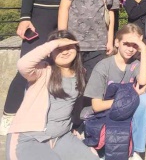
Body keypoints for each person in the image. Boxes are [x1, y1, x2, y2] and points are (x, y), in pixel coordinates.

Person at [3, 0, 87, 134]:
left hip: (67, 15)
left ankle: (49, 115)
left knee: (60, 66)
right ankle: (9, 114)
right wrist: (25, 17)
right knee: (29, 63)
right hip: (42, 13)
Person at [5, 30, 95, 160]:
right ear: (50, 52)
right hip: (31, 137)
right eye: (59, 49)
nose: (65, 52)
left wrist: (73, 126)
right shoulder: (43, 71)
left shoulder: (81, 72)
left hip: (61, 136)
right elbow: (23, 64)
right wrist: (52, 44)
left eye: (69, 47)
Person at [84, 24, 146, 159]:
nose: (131, 49)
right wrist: (128, 99)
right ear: (116, 42)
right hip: (104, 114)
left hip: (124, 112)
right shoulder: (103, 66)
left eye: (135, 45)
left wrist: (143, 49)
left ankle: (137, 150)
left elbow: (143, 80)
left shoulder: (135, 64)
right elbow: (97, 106)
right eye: (126, 44)